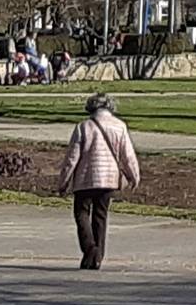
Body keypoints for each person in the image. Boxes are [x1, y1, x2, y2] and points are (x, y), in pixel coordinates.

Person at [58, 93, 141, 270]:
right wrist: (134, 176)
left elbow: (72, 158)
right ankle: (98, 256)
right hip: (109, 178)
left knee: (81, 213)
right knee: (100, 217)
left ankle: (90, 249)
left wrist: (63, 182)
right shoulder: (120, 126)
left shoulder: (83, 127)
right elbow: (128, 156)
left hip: (85, 179)